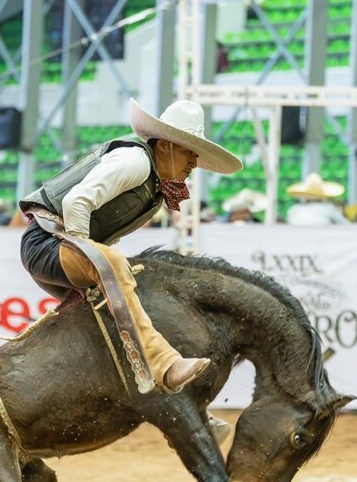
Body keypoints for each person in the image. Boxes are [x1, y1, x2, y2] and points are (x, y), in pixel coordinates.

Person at [18, 98, 242, 394]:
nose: (193, 163)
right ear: (165, 146)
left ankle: (184, 406)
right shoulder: (135, 162)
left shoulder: (154, 186)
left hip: (53, 244)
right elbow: (76, 202)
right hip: (46, 242)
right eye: (189, 152)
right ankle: (164, 364)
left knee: (121, 303)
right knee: (114, 266)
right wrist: (89, 252)